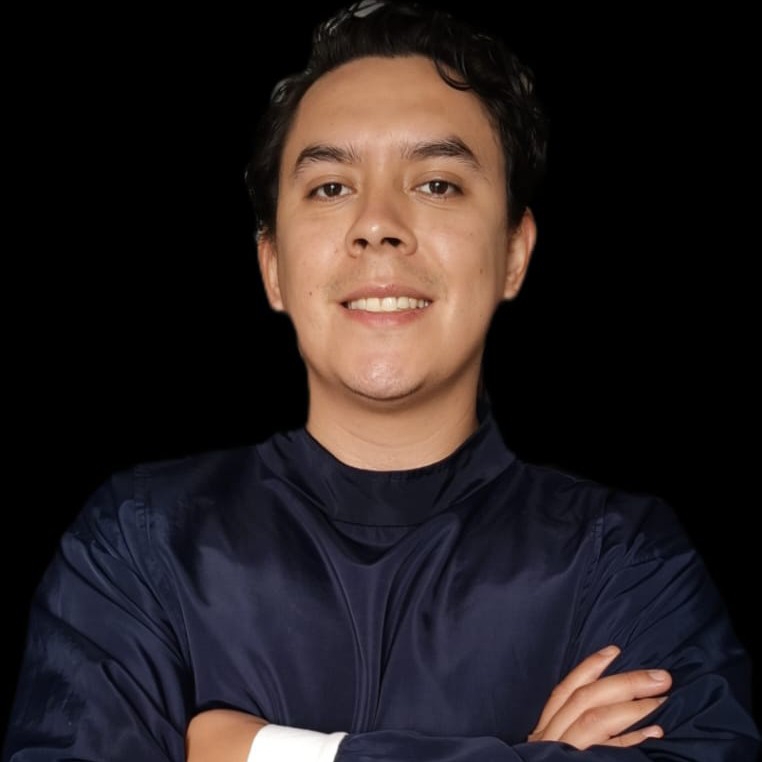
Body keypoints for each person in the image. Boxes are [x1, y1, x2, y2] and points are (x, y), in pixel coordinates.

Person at [4, 0, 759, 760]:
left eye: (437, 184)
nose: (378, 225)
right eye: (331, 188)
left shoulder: (624, 562)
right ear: (273, 266)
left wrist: (266, 751)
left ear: (514, 253)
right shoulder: (139, 545)